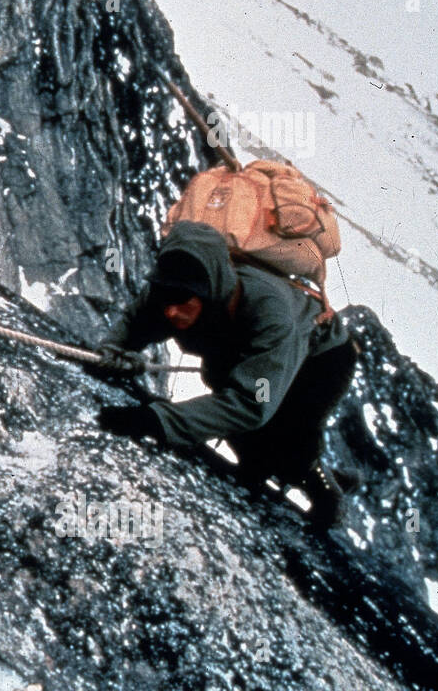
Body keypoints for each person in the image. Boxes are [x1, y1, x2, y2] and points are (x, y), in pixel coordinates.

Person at [93, 220, 359, 526]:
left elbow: (250, 404)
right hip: (252, 348)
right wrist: (113, 350)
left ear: (210, 292)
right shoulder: (175, 289)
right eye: (166, 299)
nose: (170, 312)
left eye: (182, 302)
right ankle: (310, 469)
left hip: (322, 359)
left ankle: (324, 489)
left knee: (285, 437)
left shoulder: (270, 313)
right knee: (247, 444)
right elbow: (136, 321)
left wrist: (156, 421)